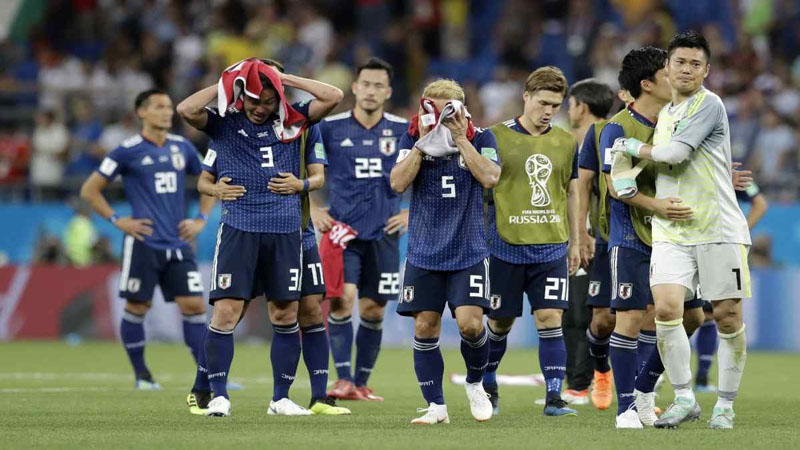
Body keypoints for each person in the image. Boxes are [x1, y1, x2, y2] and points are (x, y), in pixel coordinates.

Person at [177, 58, 343, 417]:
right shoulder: (224, 123)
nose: (260, 108)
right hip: (240, 229)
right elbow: (186, 108)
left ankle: (280, 399)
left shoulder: (295, 121)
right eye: (254, 100)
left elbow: (334, 95)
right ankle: (217, 395)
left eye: (268, 101)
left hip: (286, 232)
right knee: (226, 312)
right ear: (241, 94)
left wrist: (281, 78)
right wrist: (228, 80)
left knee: (285, 314)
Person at [611, 31, 752, 429]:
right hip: (672, 230)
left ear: (706, 70)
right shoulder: (667, 115)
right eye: (679, 62)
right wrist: (627, 179)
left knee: (725, 315)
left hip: (717, 226)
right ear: (667, 69)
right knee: (668, 311)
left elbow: (675, 154)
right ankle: (684, 396)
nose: (687, 69)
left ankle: (724, 403)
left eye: (695, 63)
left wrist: (629, 148)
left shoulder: (710, 105)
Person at [80, 89, 215, 403]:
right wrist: (118, 220)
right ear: (141, 112)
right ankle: (142, 375)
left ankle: (205, 376)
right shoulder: (127, 151)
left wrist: (200, 219)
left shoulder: (182, 148)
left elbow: (207, 181)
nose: (167, 112)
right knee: (138, 307)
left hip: (179, 244)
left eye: (169, 107)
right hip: (143, 243)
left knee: (195, 306)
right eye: (159, 107)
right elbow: (90, 190)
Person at [599, 47, 708, 428]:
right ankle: (625, 408)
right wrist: (657, 206)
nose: (675, 75)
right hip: (632, 236)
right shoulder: (618, 128)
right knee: (628, 320)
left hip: (675, 238)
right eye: (666, 71)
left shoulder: (678, 119)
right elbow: (616, 187)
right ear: (647, 84)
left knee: (693, 317)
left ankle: (645, 390)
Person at [390, 79, 500, 424]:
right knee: (424, 326)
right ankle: (436, 406)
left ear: (462, 109)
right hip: (424, 251)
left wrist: (460, 137)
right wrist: (424, 145)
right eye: (433, 110)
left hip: (468, 249)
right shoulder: (411, 137)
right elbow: (396, 182)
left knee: (470, 325)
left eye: (447, 110)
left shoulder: (482, 137)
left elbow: (491, 176)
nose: (440, 117)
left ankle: (475, 383)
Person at [480, 66, 580, 417]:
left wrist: (577, 240)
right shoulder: (494, 136)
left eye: (555, 104)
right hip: (504, 245)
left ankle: (554, 398)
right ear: (526, 97)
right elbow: (482, 188)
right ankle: (488, 382)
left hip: (551, 246)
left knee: (551, 318)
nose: (548, 111)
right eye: (542, 102)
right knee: (500, 323)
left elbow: (570, 191)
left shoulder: (566, 141)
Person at [313, 57, 409, 401]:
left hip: (385, 232)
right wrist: (311, 207)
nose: (371, 91)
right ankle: (342, 379)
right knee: (343, 300)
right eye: (365, 84)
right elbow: (299, 163)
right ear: (354, 87)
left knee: (373, 309)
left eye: (378, 85)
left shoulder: (403, 130)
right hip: (342, 230)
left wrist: (412, 213)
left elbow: (428, 172)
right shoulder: (329, 128)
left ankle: (362, 382)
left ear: (388, 91)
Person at [566, 78, 615, 407]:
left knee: (591, 314)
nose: (568, 111)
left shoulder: (587, 141)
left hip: (597, 238)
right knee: (579, 313)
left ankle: (588, 381)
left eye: (570, 104)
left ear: (581, 107)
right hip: (589, 236)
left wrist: (584, 234)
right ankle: (583, 382)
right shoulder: (614, 134)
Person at [694, 181, 767, 392]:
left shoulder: (733, 173)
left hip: (704, 243)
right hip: (697, 244)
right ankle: (698, 377)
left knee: (707, 313)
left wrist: (739, 231)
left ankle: (696, 377)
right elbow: (760, 203)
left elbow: (760, 203)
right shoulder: (723, 168)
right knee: (696, 313)